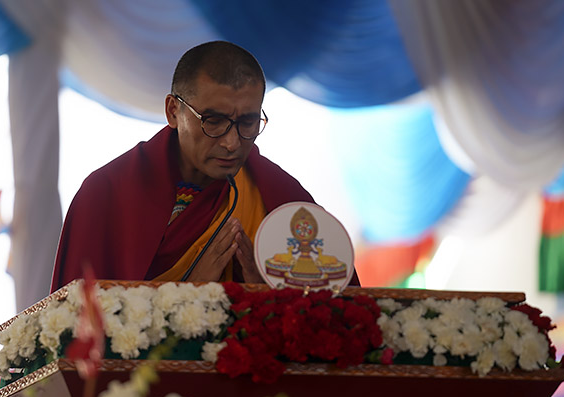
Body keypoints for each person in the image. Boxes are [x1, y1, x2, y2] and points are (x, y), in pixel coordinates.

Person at [50, 41, 360, 292]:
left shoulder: (279, 196)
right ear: (174, 111)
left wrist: (268, 298)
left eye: (248, 123)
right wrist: (187, 291)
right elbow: (75, 334)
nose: (232, 143)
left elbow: (340, 325)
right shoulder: (108, 194)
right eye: (214, 121)